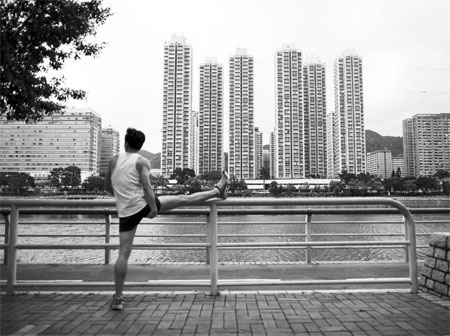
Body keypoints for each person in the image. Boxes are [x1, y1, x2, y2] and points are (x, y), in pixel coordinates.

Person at [105, 128, 229, 310]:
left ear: (125, 143)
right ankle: (218, 191)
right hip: (143, 205)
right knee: (183, 199)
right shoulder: (142, 161)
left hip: (125, 212)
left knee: (123, 254)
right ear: (140, 145)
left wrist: (123, 197)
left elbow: (108, 186)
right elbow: (147, 188)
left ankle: (117, 298)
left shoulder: (114, 160)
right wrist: (154, 209)